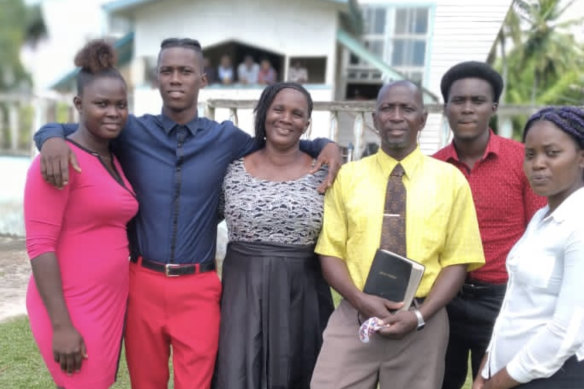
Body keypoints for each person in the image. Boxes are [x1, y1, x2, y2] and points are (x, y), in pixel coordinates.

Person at [34, 38, 341, 389]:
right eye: (167, 71)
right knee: (146, 383)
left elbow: (282, 137)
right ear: (157, 79)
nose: (176, 79)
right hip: (142, 284)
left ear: (203, 79)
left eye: (185, 71)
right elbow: (83, 127)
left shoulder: (226, 139)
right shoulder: (131, 131)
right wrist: (50, 138)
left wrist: (325, 145)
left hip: (199, 288)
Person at [310, 80, 485, 389]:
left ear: (423, 119)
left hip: (422, 322)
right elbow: (330, 253)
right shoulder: (347, 178)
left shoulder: (450, 181)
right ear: (375, 120)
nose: (396, 116)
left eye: (407, 108)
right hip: (355, 316)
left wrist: (420, 317)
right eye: (387, 108)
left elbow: (458, 261)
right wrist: (361, 302)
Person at [24, 40, 138, 389]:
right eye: (101, 104)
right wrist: (61, 325)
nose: (113, 113)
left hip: (108, 302)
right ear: (78, 104)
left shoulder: (114, 156)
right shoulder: (58, 160)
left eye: (120, 105)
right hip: (70, 304)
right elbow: (40, 245)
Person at [434, 61, 546, 389]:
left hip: (503, 298)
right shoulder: (433, 167)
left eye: (478, 101)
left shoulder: (524, 160)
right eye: (458, 101)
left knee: (498, 383)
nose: (467, 109)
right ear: (446, 108)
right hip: (444, 298)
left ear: (493, 107)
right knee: (440, 381)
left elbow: (538, 234)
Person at [214, 82, 334, 389]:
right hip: (242, 289)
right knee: (237, 372)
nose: (286, 119)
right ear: (265, 112)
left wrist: (330, 145)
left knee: (299, 370)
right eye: (278, 109)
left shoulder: (325, 173)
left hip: (303, 290)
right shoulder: (231, 169)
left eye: (297, 113)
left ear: (307, 123)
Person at [473, 106, 584, 389]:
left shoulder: (578, 225)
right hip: (510, 374)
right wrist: (485, 369)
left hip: (553, 378)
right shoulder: (541, 217)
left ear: (581, 158)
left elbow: (566, 332)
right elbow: (515, 305)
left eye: (552, 153)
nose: (537, 164)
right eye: (530, 154)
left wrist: (497, 382)